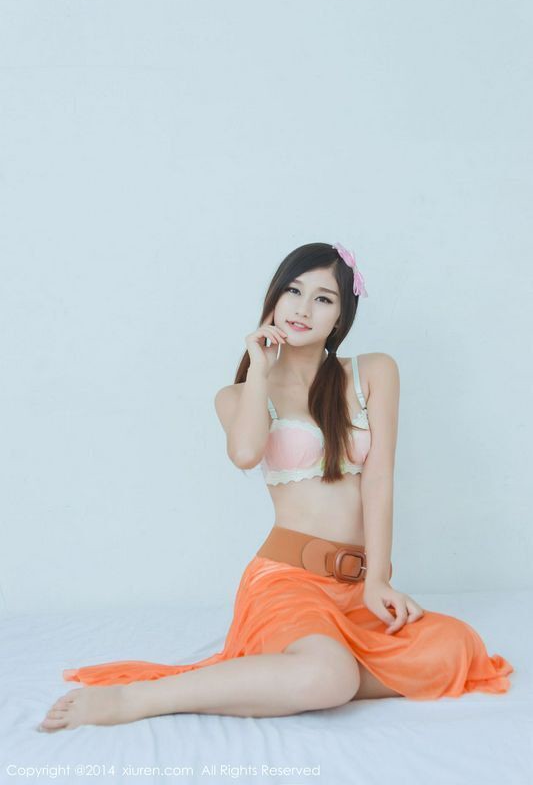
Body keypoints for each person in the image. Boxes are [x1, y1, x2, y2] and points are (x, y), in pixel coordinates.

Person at [38, 241, 514, 732]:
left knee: (458, 648)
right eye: (294, 291)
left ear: (341, 317)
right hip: (287, 582)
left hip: (358, 589)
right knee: (329, 675)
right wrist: (260, 369)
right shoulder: (238, 396)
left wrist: (377, 579)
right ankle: (139, 698)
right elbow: (245, 453)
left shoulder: (373, 372)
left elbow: (379, 479)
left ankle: (303, 675)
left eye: (323, 299)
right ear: (274, 297)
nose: (303, 309)